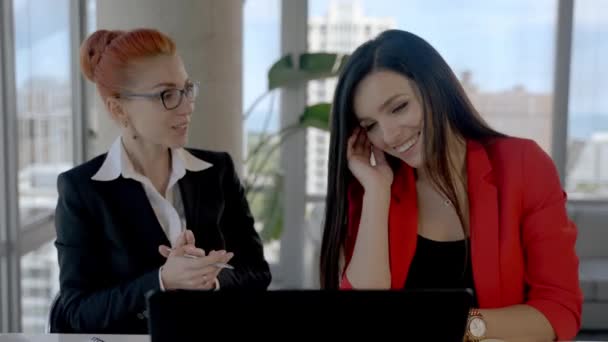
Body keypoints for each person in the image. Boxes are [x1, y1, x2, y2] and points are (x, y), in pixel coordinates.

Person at [319, 29, 582, 341]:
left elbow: (559, 308)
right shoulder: (374, 189)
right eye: (371, 126)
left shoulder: (522, 165)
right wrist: (377, 193)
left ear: (436, 88)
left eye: (399, 107)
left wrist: (458, 325)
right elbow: (362, 316)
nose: (388, 136)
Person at [51, 28, 271, 334]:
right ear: (118, 108)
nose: (187, 105)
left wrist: (211, 280)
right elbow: (77, 311)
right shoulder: (83, 190)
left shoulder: (217, 171)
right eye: (167, 94)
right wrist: (163, 280)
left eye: (187, 88)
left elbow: (257, 272)